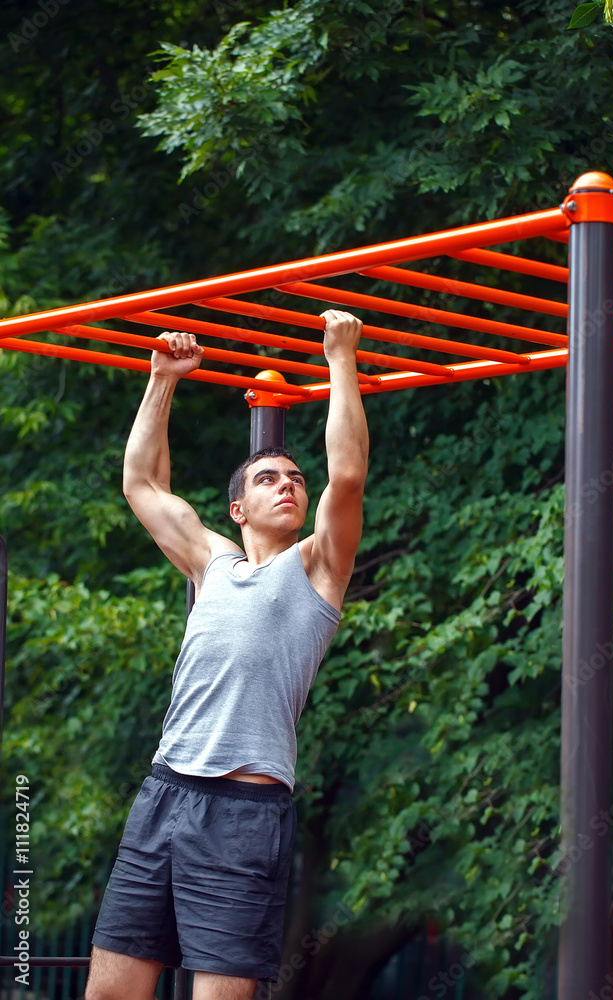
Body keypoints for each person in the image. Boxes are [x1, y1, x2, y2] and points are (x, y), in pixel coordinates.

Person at [85, 309, 369, 1000]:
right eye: (270, 478)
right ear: (237, 509)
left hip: (244, 812)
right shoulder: (212, 561)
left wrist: (340, 360)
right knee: (110, 991)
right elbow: (141, 486)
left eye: (296, 479)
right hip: (164, 795)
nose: (289, 485)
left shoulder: (317, 567)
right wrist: (162, 379)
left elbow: (350, 475)